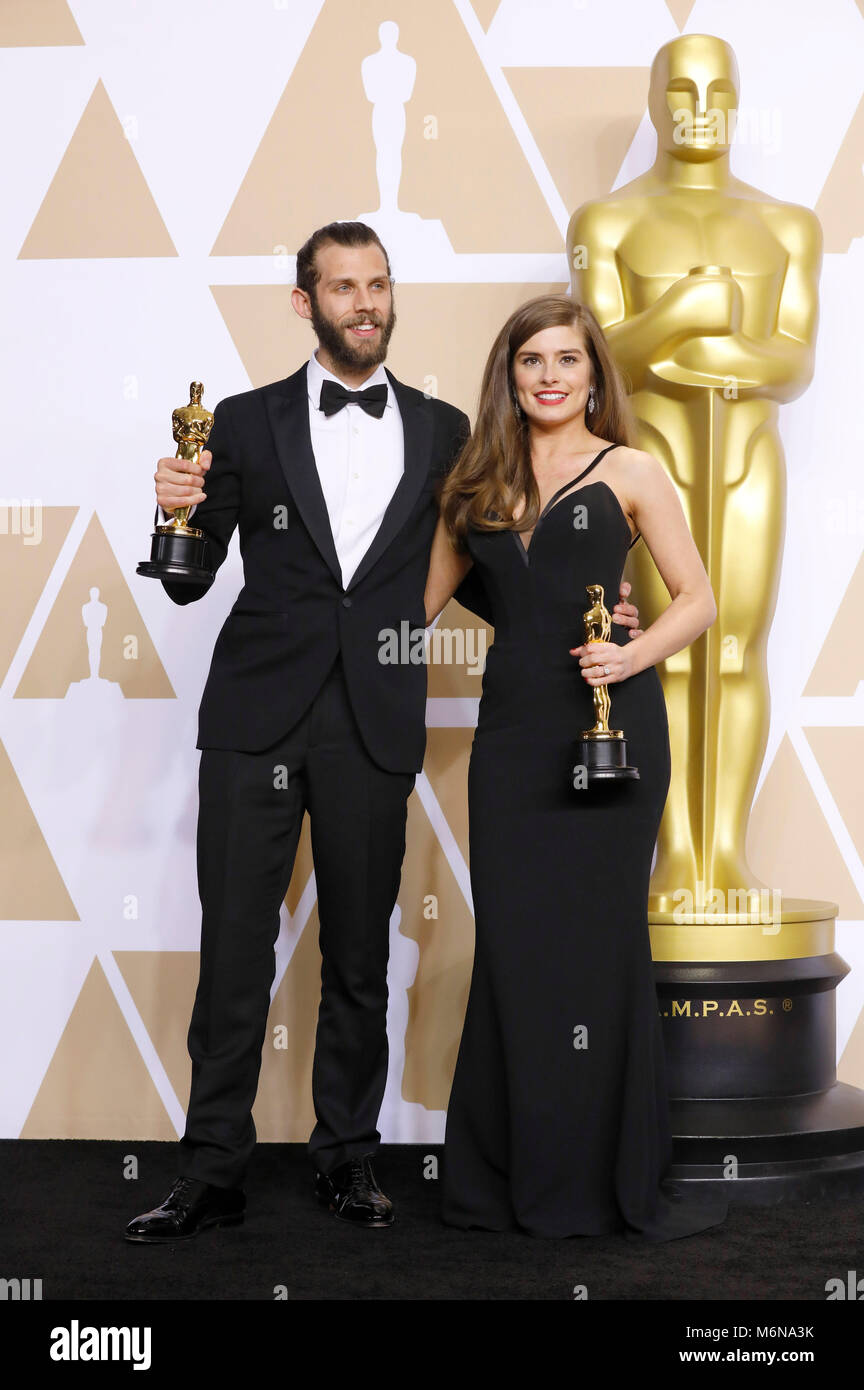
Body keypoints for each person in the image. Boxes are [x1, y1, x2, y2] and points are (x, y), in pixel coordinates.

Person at [125, 222, 645, 1242]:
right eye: (342, 286)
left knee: (361, 955)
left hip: (375, 715)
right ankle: (211, 1169)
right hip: (253, 718)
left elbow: (498, 574)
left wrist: (597, 613)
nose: (365, 302)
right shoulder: (240, 420)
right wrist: (172, 510)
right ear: (304, 301)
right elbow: (189, 579)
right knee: (234, 947)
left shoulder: (452, 432)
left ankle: (346, 1159)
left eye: (378, 284)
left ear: (391, 295)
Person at [424, 293, 729, 1240]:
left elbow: (699, 598)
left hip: (612, 734)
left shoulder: (632, 469)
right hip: (514, 740)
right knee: (516, 950)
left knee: (596, 954)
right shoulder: (473, 481)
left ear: (595, 372)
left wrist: (629, 655)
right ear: (508, 376)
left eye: (567, 359)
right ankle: (507, 1179)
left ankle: (602, 1185)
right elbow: (415, 606)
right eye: (531, 362)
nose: (550, 376)